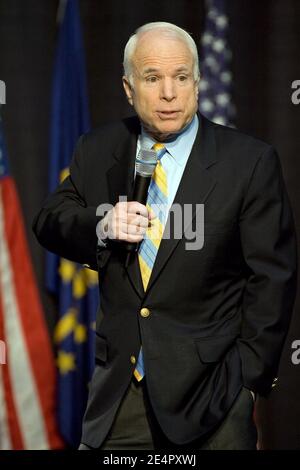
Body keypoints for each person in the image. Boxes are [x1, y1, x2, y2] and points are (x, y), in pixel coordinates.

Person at [33, 22, 297, 450]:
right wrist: (100, 226)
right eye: (153, 78)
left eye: (181, 77)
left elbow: (273, 278)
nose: (169, 93)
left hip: (212, 396)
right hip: (120, 395)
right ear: (128, 86)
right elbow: (49, 220)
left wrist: (248, 378)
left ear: (197, 82)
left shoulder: (248, 162)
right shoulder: (99, 148)